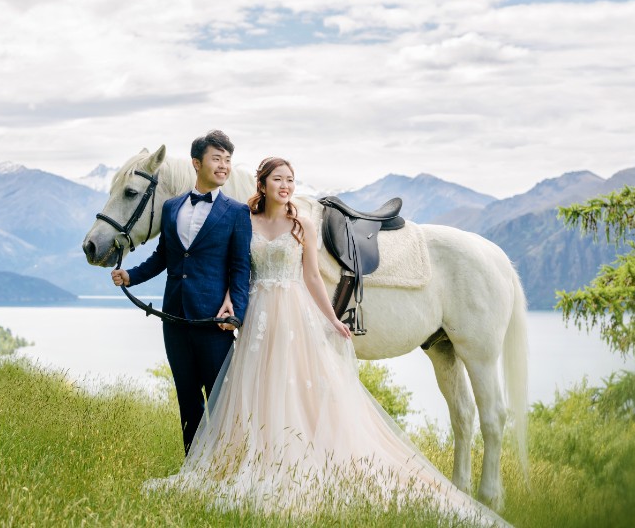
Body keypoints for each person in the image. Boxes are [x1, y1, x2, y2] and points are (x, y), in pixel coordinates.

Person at [145, 157, 511, 525]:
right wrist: (230, 302)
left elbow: (313, 278)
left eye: (290, 179)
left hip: (290, 310)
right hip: (260, 317)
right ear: (262, 183)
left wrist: (333, 318)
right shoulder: (245, 220)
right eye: (278, 179)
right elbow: (239, 268)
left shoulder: (302, 222)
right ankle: (262, 463)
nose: (285, 185)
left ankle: (485, 486)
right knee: (263, 390)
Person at [111, 130, 252, 453]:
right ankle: (192, 468)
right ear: (196, 164)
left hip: (214, 322)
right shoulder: (172, 207)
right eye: (216, 159)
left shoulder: (236, 212)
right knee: (187, 400)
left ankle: (223, 467)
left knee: (219, 401)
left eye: (227, 160)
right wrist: (130, 276)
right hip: (173, 319)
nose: (223, 166)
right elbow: (164, 256)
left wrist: (237, 313)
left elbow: (240, 268)